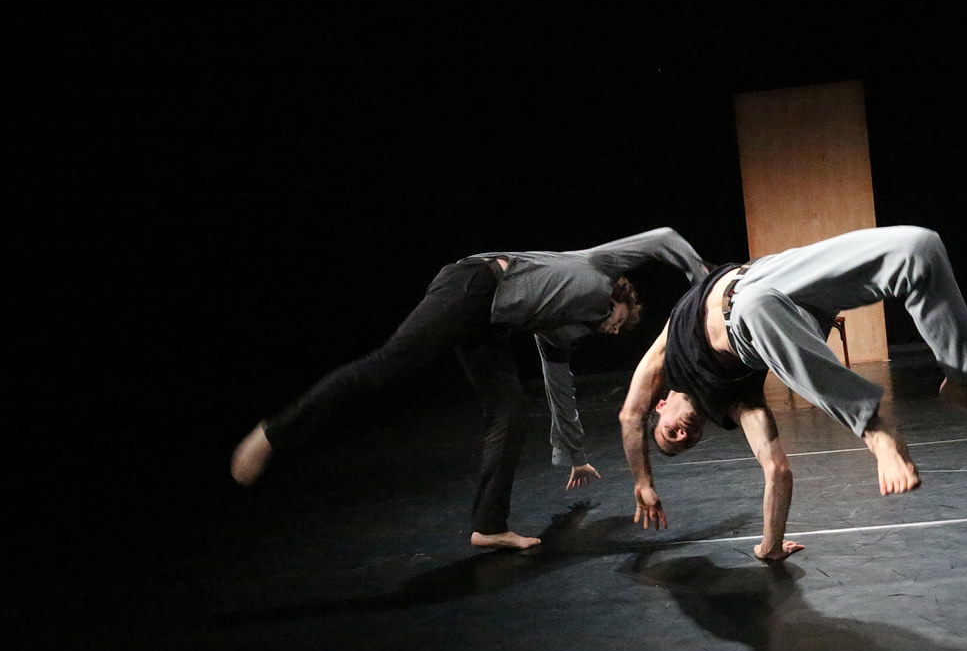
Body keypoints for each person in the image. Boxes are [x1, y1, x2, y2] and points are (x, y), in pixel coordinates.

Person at [232, 227, 708, 549]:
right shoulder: (598, 268)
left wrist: (574, 452)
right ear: (622, 297)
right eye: (620, 319)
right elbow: (664, 238)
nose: (614, 328)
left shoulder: (562, 327)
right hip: (475, 285)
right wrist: (704, 286)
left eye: (617, 329)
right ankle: (275, 433)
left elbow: (558, 384)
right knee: (387, 366)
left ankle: (489, 526)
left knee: (510, 411)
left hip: (490, 324)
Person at [618, 225, 967, 561]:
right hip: (760, 310)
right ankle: (874, 430)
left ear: (662, 404)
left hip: (771, 272)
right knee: (754, 305)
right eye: (687, 442)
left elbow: (630, 416)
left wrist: (643, 483)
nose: (684, 434)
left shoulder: (665, 358)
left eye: (670, 433)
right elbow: (777, 470)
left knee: (919, 247)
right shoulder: (738, 403)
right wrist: (769, 546)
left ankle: (965, 377)